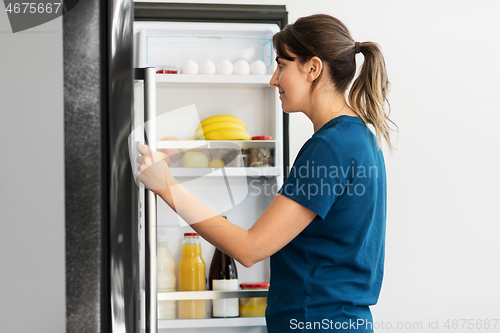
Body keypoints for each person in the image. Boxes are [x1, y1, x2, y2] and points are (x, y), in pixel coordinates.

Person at [137, 13, 395, 333]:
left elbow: (250, 248)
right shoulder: (360, 138)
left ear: (312, 68)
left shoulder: (330, 147)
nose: (274, 79)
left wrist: (166, 186)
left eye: (282, 65)